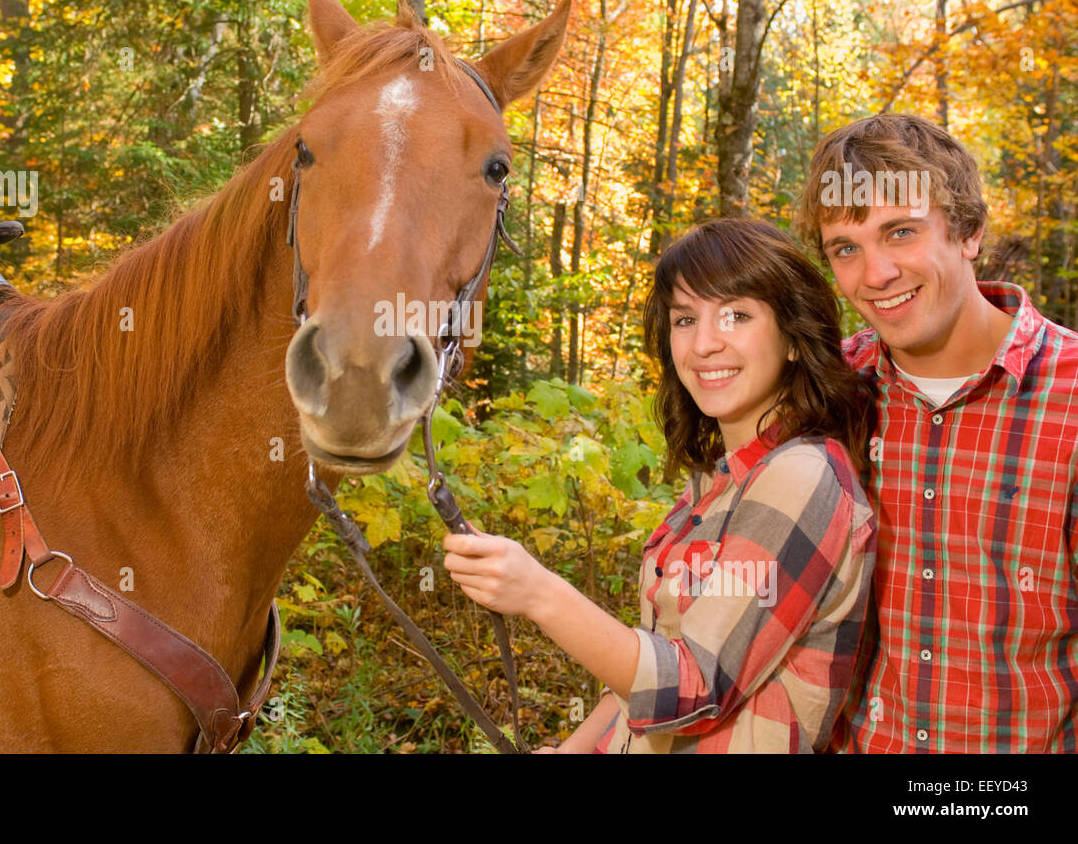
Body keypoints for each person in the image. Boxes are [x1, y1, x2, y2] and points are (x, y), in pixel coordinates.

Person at [443, 218, 877, 752]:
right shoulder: (720, 476)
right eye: (685, 319)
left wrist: (539, 592)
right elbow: (652, 659)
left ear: (793, 337)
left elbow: (693, 689)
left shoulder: (801, 476)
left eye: (737, 315)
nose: (705, 344)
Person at [794, 113, 1078, 753]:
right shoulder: (826, 391)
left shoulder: (1069, 398)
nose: (876, 274)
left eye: (900, 233)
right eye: (846, 248)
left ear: (969, 232)